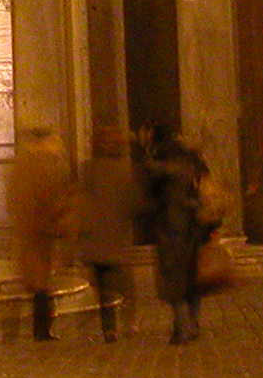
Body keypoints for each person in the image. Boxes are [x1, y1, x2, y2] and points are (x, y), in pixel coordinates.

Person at [145, 124, 215, 345]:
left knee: (174, 279)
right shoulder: (193, 160)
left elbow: (149, 190)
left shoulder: (160, 161)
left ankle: (182, 328)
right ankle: (192, 324)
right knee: (192, 277)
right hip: (196, 224)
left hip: (171, 227)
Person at [4, 126, 73, 341]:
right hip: (39, 231)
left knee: (34, 283)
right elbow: (48, 195)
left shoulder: (22, 162)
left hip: (30, 231)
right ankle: (40, 330)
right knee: (39, 284)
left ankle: (27, 331)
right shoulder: (44, 163)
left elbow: (14, 198)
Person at [74, 126, 143, 341]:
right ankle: (129, 322)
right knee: (125, 285)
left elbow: (79, 202)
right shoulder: (127, 169)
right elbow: (135, 203)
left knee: (104, 288)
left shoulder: (87, 169)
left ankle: (109, 328)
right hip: (118, 236)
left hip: (95, 238)